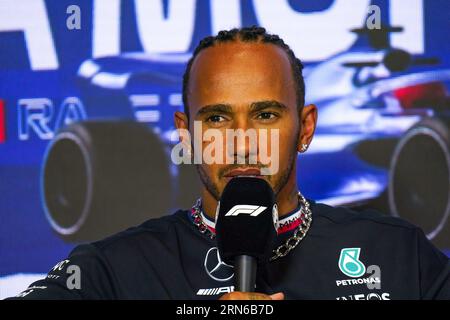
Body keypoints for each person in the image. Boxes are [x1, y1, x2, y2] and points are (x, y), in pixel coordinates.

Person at [9, 26, 450, 300]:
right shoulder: (115, 269)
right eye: (217, 118)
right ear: (186, 133)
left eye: (265, 115)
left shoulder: (398, 256)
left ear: (306, 126)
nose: (241, 143)